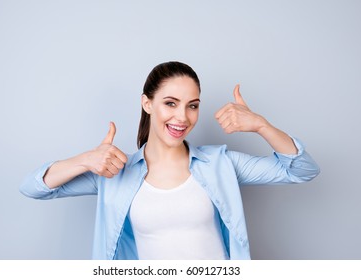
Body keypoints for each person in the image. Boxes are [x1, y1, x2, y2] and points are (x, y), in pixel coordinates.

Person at [20, 61, 320, 260]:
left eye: (192, 106)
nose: (182, 117)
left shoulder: (221, 164)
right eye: (170, 103)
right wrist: (86, 159)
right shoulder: (114, 172)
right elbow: (35, 188)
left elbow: (301, 170)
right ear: (147, 103)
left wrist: (261, 126)